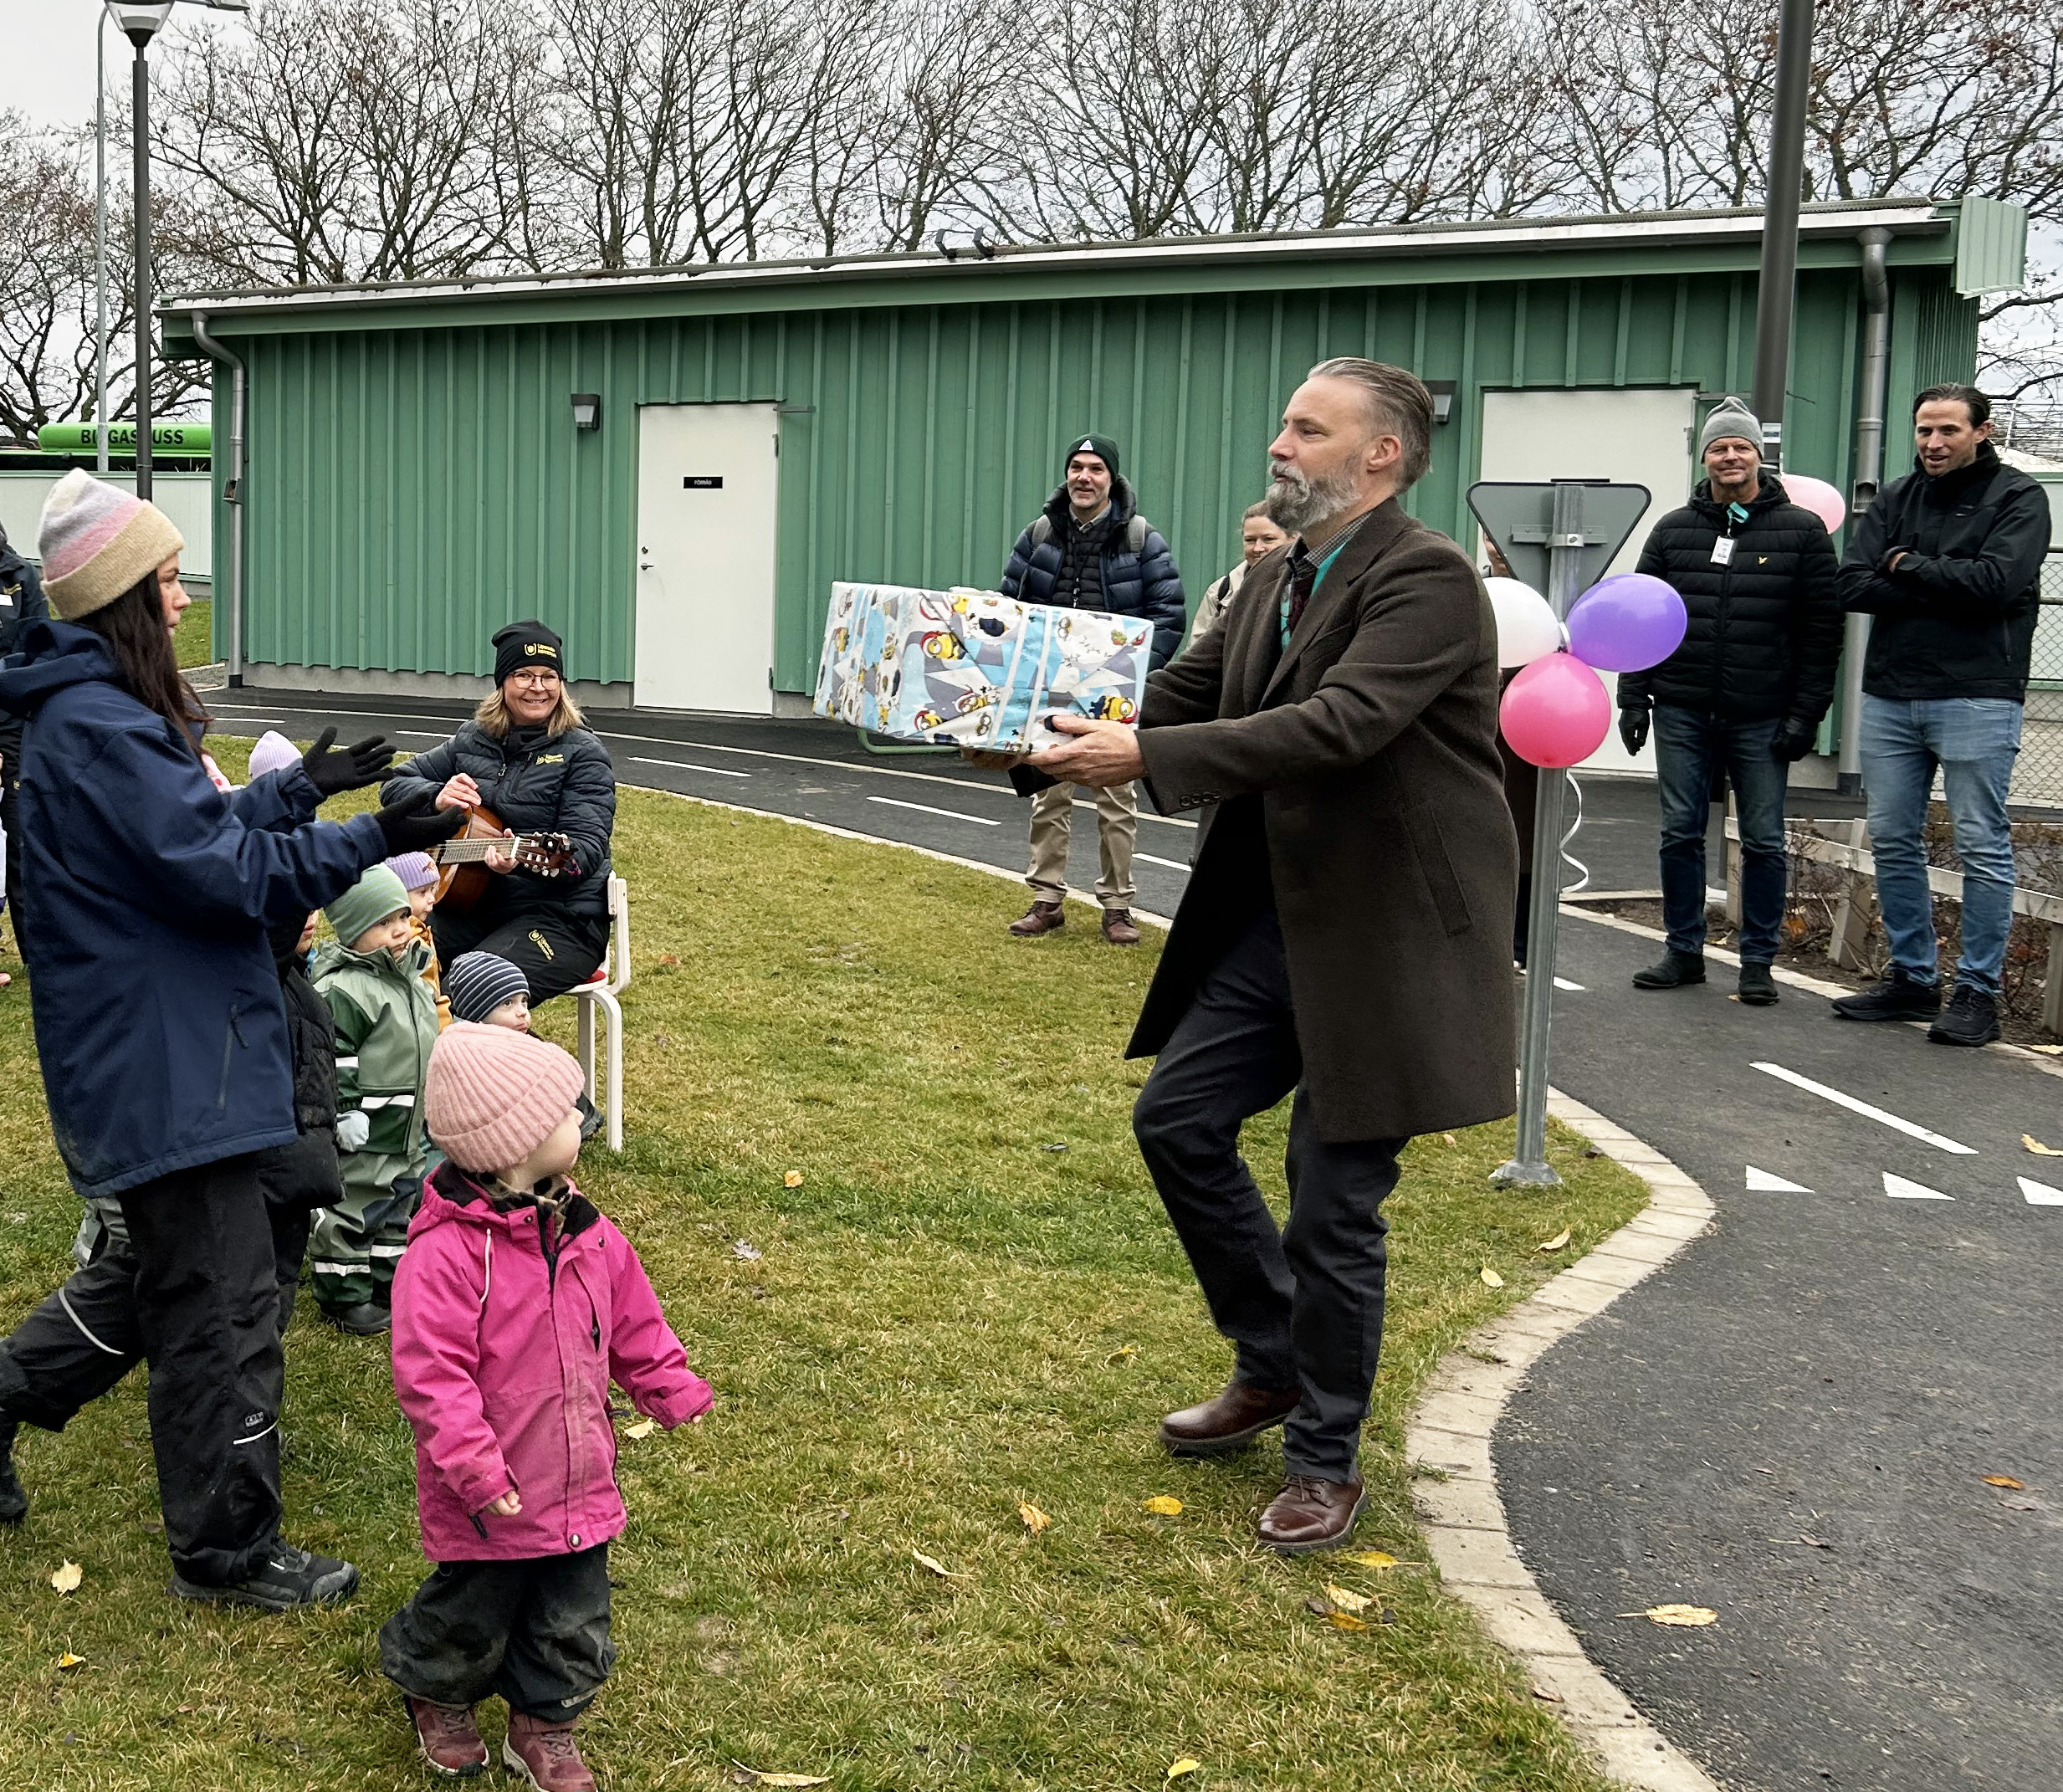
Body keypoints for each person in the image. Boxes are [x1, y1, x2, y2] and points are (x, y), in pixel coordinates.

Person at [1033, 361, 1517, 1554]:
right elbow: (1181, 690)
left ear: (1381, 458)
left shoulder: (1430, 579)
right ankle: (1275, 1356)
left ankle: (1324, 1454)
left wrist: (1143, 759)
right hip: (1283, 922)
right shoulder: (1271, 575)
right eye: (1284, 424)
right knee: (1178, 1120)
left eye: (1308, 429)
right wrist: (1020, 709)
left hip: (1389, 940)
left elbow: (1339, 724)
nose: (1279, 445)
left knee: (1332, 1202)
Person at [0, 468, 461, 1606]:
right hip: (171, 1068)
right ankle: (226, 1547)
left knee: (164, 1284)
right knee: (217, 1312)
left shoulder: (100, 716)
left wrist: (296, 786)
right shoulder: (101, 728)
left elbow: (192, 839)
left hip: (181, 1054)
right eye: (163, 581)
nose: (180, 601)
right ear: (117, 600)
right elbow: (223, 878)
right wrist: (368, 835)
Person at [382, 1022, 713, 1788]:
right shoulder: (448, 1254)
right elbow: (432, 1374)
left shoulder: (589, 1232)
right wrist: (472, 1466)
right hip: (488, 1490)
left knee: (574, 1618)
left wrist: (667, 1383)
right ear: (515, 1142)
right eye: (568, 1112)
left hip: (577, 1473)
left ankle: (544, 1721)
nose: (581, 1119)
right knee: (471, 1611)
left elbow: (632, 1319)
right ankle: (436, 1689)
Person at [1832, 384, 2050, 1046]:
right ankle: (1913, 980)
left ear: (1981, 431)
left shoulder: (2018, 497)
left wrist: (1903, 565)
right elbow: (1851, 582)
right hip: (1892, 694)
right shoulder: (1896, 496)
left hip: (1978, 693)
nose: (1933, 443)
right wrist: (1939, 578)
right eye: (1924, 430)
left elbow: (1997, 584)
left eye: (1948, 430)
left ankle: (1977, 994)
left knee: (1981, 844)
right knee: (1893, 838)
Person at [1615, 397, 1843, 1006]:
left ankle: (1758, 962)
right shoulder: (1673, 530)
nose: (1730, 456)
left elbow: (1822, 633)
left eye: (1740, 446)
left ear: (1759, 457)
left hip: (1762, 712)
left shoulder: (1800, 531)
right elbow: (1642, 617)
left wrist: (1806, 715)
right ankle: (1683, 950)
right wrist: (1634, 698)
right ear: (1706, 456)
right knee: (1679, 832)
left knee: (1764, 838)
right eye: (1718, 447)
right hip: (1683, 706)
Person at [998, 435, 1186, 946]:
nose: (1084, 477)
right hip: (1044, 693)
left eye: (1096, 469)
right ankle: (1046, 899)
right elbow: (1008, 606)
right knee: (1047, 796)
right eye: (1076, 468)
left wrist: (1135, 681)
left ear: (1112, 478)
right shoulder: (1038, 535)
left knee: (1116, 799)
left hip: (1109, 695)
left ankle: (1119, 906)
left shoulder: (1142, 540)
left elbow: (1168, 617)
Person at [381, 620, 617, 1001]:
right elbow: (395, 783)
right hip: (471, 908)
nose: (538, 687)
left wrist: (521, 860)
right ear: (502, 682)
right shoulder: (473, 739)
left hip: (561, 919)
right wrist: (437, 796)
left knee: (476, 986)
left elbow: (583, 852)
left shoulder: (583, 754)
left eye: (549, 676)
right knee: (389, 962)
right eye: (524, 674)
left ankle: (529, 1062)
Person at [309, 865, 443, 1335]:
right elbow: (334, 1059)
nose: (400, 930)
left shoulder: (412, 978)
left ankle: (388, 1282)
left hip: (408, 1129)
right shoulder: (343, 989)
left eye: (402, 918)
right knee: (354, 1208)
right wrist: (344, 1114)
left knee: (398, 1205)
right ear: (353, 931)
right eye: (384, 924)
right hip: (367, 1129)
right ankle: (343, 1295)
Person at [447, 947, 604, 1139]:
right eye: (508, 1003)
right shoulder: (463, 1058)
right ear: (477, 1015)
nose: (522, 1012)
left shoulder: (527, 1049)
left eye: (524, 1002)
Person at [0, 517, 50, 974]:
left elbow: (39, 652)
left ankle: (38, 953)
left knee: (21, 836)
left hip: (15, 727)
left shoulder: (19, 576)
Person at [1188, 502, 1288, 648]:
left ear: (1294, 538)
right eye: (1250, 540)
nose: (1258, 548)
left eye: (1268, 539)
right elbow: (1196, 650)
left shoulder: (1302, 587)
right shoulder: (1221, 591)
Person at [388, 849, 453, 1027]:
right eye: (422, 892)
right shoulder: (404, 940)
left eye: (433, 890)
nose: (432, 898)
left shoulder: (420, 930)